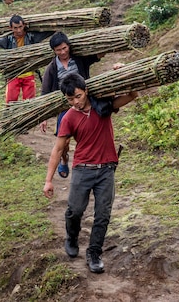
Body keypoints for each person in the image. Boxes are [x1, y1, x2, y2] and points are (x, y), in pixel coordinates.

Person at [43, 73, 138, 273]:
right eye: (70, 99)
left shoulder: (103, 106)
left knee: (103, 214)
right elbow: (58, 149)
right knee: (75, 210)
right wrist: (48, 180)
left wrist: (124, 71)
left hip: (106, 169)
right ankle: (72, 237)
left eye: (78, 96)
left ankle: (94, 253)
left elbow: (132, 95)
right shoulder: (68, 117)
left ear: (85, 90)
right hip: (82, 169)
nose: (76, 102)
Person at [39, 32, 102, 179]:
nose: (63, 52)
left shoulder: (79, 59)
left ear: (68, 46)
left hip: (84, 103)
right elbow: (45, 91)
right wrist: (43, 117)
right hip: (65, 107)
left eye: (64, 48)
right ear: (54, 51)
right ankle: (64, 158)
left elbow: (98, 55)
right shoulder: (52, 67)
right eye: (58, 50)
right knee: (64, 140)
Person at [0, 15, 54, 103]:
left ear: (24, 25)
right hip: (13, 75)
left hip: (28, 74)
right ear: (10, 28)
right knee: (10, 102)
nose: (18, 30)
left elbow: (46, 32)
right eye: (15, 28)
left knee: (29, 102)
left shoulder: (31, 37)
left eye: (20, 27)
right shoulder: (8, 39)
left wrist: (56, 26)